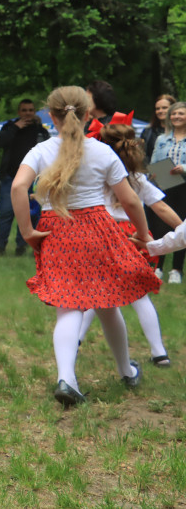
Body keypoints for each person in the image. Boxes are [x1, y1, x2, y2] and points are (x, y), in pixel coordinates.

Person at [12, 86, 159, 407]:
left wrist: (27, 231)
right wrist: (143, 234)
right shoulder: (104, 152)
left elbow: (18, 187)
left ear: (50, 117)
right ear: (88, 115)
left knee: (69, 307)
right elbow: (131, 200)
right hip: (98, 231)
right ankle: (125, 370)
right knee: (108, 303)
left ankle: (67, 377)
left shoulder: (40, 151)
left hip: (56, 232)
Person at [78, 123, 178, 367]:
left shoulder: (94, 175)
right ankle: (159, 352)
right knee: (139, 296)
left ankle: (75, 339)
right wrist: (182, 229)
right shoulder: (137, 179)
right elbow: (161, 207)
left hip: (99, 235)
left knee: (96, 293)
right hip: (131, 237)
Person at [0, 99, 50, 258]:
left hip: (33, 179)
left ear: (34, 112)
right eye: (24, 110)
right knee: (6, 212)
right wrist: (15, 128)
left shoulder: (39, 130)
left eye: (31, 110)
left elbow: (48, 147)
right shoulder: (10, 127)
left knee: (30, 213)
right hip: (10, 177)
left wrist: (38, 127)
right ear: (19, 112)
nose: (28, 113)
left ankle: (22, 246)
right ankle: (0, 246)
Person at [150, 100, 186, 284]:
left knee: (181, 227)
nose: (177, 117)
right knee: (160, 226)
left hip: (184, 188)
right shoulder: (162, 139)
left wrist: (184, 168)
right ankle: (158, 267)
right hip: (164, 185)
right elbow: (155, 161)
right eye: (174, 114)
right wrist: (154, 172)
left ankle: (177, 269)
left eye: (181, 113)